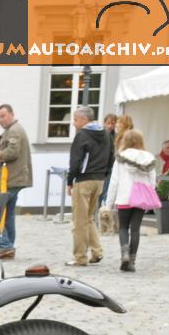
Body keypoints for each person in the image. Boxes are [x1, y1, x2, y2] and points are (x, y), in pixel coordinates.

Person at [102, 128, 157, 272]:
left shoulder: (121, 157)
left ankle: (124, 254)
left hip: (124, 197)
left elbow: (114, 182)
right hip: (140, 198)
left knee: (123, 227)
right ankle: (132, 261)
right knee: (136, 229)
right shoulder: (148, 157)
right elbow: (153, 181)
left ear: (125, 141)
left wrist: (109, 203)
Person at [64, 104, 111, 267]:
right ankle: (97, 252)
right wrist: (104, 174)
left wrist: (70, 181)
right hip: (99, 180)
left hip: (84, 181)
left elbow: (75, 161)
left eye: (75, 119)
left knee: (79, 221)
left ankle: (80, 257)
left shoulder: (82, 135)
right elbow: (111, 156)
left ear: (84, 119)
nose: (73, 123)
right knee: (89, 218)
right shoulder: (105, 133)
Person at [0, 103, 32, 260]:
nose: (0, 119)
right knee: (8, 214)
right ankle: (8, 246)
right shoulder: (12, 130)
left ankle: (5, 246)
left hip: (8, 179)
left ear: (11, 114)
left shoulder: (14, 130)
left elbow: (12, 152)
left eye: (3, 116)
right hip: (11, 179)